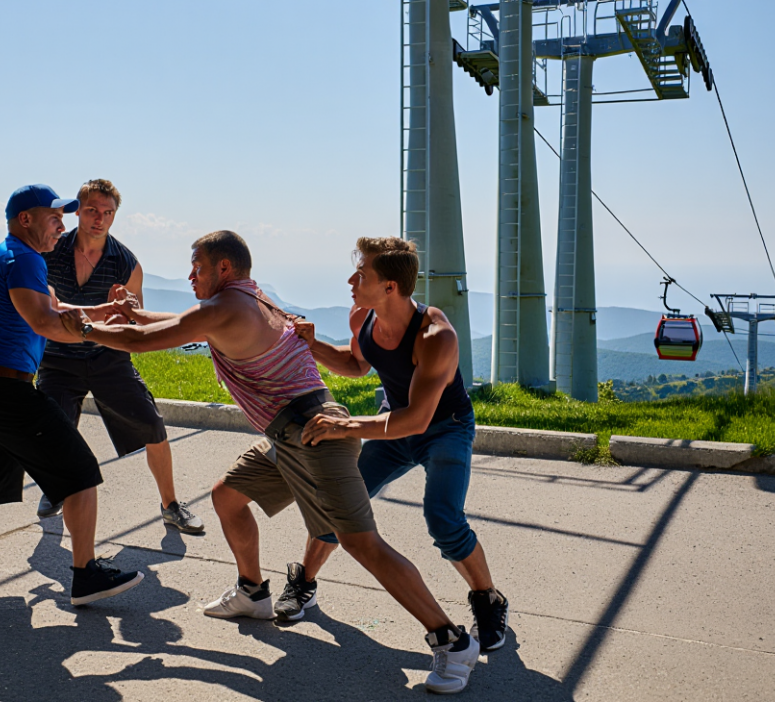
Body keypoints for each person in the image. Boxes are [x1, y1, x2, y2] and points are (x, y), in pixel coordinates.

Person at [60, 231, 481, 694]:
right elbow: (184, 324)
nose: (189, 275)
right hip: (288, 433)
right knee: (227, 497)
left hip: (317, 431)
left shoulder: (232, 306)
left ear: (223, 269)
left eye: (196, 266)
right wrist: (134, 314)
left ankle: (451, 640)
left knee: (362, 544)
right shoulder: (248, 297)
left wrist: (77, 324)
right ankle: (253, 593)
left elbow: (144, 341)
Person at [0, 184, 144, 608]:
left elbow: (56, 307)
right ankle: (85, 574)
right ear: (25, 220)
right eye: (53, 217)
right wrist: (111, 335)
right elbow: (45, 323)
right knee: (81, 472)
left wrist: (106, 312)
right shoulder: (24, 258)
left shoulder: (10, 257)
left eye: (63, 216)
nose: (62, 224)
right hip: (4, 390)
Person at [280, 236, 509, 652]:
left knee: (443, 520)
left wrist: (344, 427)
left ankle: (487, 599)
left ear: (390, 287)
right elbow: (357, 364)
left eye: (362, 273)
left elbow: (417, 419)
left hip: (444, 428)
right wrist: (312, 346)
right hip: (392, 424)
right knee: (340, 503)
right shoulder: (361, 318)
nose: (351, 279)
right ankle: (304, 584)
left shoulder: (435, 337)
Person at [34, 179, 203, 535]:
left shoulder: (126, 263)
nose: (100, 219)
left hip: (108, 357)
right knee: (53, 429)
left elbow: (133, 317)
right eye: (93, 210)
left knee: (152, 424)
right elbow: (46, 308)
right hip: (58, 358)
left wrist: (122, 313)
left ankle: (171, 505)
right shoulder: (50, 251)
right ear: (77, 210)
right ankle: (55, 488)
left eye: (108, 212)